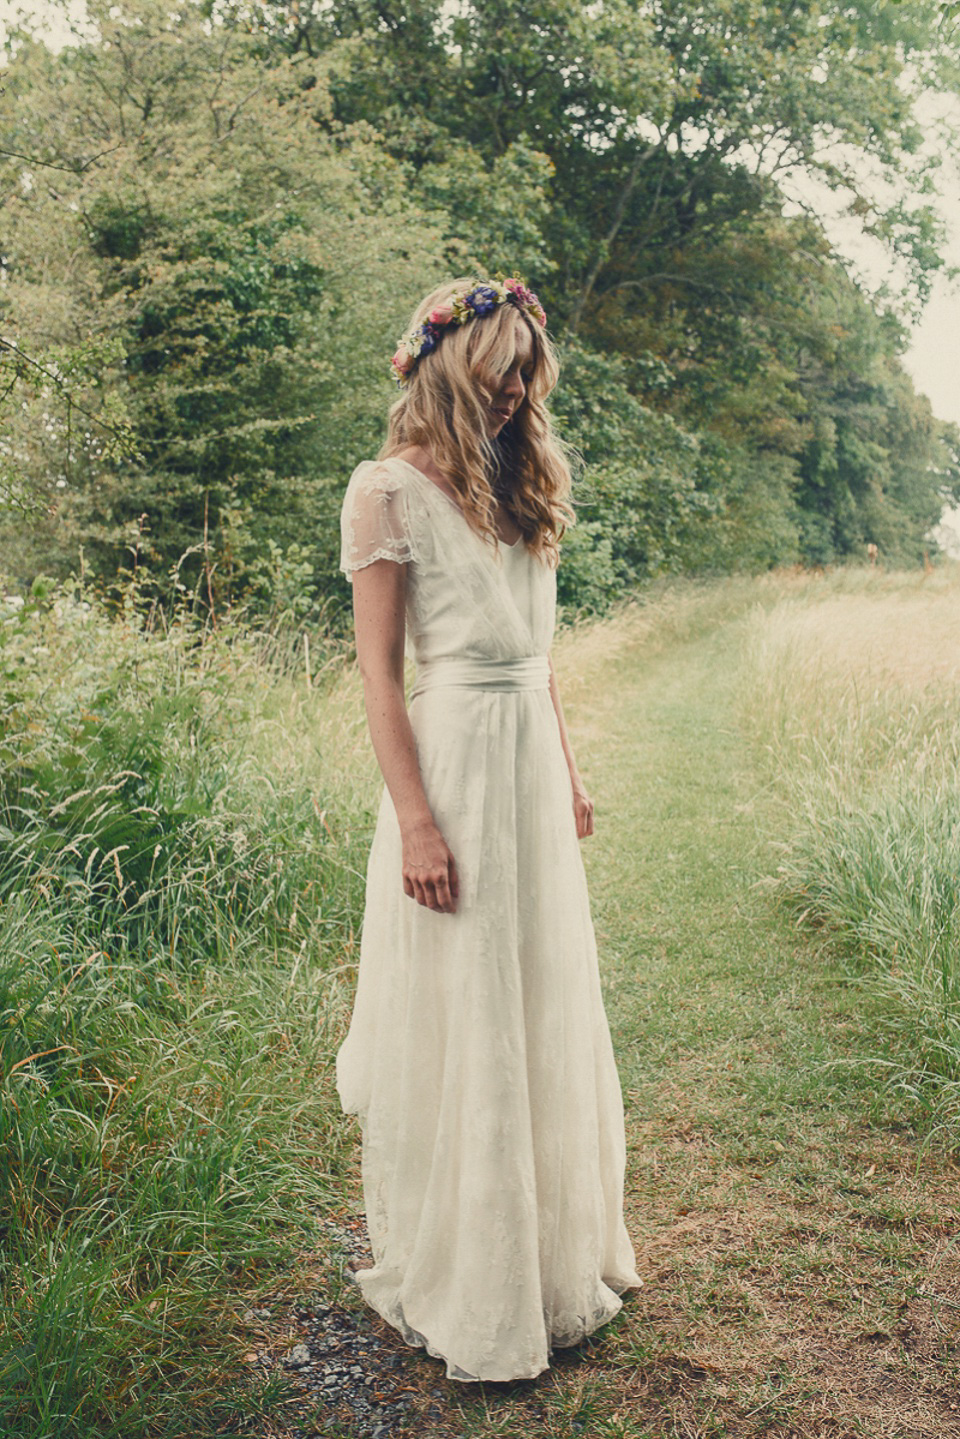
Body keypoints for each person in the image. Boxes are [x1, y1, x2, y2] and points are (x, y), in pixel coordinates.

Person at [337, 275, 641, 1383]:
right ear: (450, 370)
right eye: (501, 373)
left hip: (523, 764)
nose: (517, 393)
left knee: (542, 995)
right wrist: (417, 821)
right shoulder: (385, 493)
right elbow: (378, 673)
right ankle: (475, 1276)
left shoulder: (521, 484)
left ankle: (553, 1254)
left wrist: (567, 769)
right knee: (469, 1008)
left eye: (529, 375)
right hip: (454, 770)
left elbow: (537, 658)